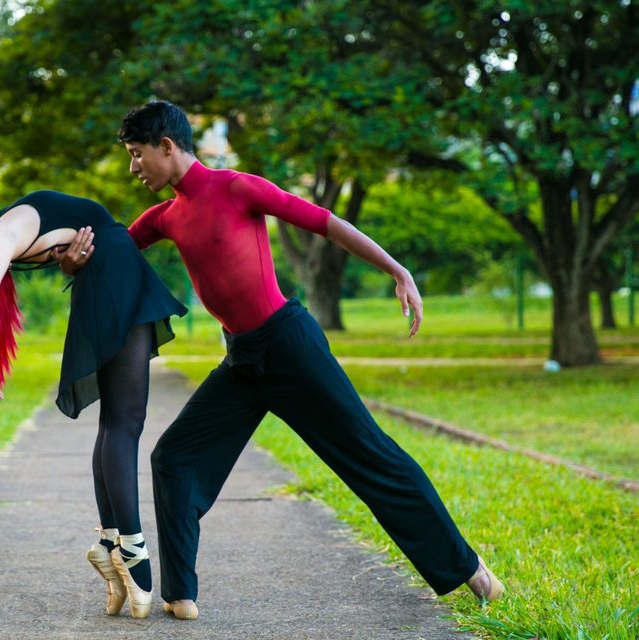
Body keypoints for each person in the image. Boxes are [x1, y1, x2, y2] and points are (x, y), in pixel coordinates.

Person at [58, 100, 503, 620]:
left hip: (291, 348)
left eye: (137, 155)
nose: (134, 168)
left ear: (167, 146)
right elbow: (112, 256)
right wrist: (74, 261)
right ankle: (180, 596)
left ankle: (472, 572)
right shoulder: (165, 217)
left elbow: (326, 223)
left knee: (370, 456)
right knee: (174, 459)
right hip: (242, 363)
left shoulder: (237, 187)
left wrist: (397, 270)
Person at [0, 190, 187, 619]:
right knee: (124, 425)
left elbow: (49, 253)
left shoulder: (1, 228)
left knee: (115, 425)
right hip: (116, 279)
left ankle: (109, 542)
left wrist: (67, 262)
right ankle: (134, 553)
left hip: (102, 279)